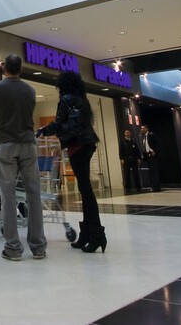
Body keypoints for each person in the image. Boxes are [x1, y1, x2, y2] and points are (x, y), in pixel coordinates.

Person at [0, 54, 46, 261]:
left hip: (6, 144)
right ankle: (38, 246)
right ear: (21, 69)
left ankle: (13, 247)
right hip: (28, 144)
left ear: (4, 69)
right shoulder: (30, 90)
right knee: (34, 195)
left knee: (8, 196)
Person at [37, 70, 105, 253]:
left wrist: (43, 131)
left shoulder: (66, 99)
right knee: (85, 189)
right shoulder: (83, 100)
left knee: (86, 191)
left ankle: (96, 235)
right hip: (88, 144)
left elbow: (59, 123)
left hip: (77, 146)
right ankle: (87, 233)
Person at [118, 129, 141, 193]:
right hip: (126, 159)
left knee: (136, 174)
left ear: (130, 133)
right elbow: (120, 151)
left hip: (134, 159)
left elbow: (137, 150)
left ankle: (138, 187)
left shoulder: (133, 141)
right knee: (126, 174)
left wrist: (139, 158)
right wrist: (121, 159)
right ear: (124, 134)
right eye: (126, 132)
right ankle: (127, 188)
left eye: (128, 132)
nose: (127, 133)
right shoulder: (122, 142)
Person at [141, 125, 161, 192]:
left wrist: (155, 151)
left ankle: (156, 187)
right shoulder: (143, 137)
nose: (142, 129)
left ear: (147, 129)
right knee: (151, 172)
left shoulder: (151, 134)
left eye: (143, 128)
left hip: (153, 155)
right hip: (147, 156)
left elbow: (158, 143)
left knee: (154, 172)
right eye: (141, 128)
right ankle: (153, 186)